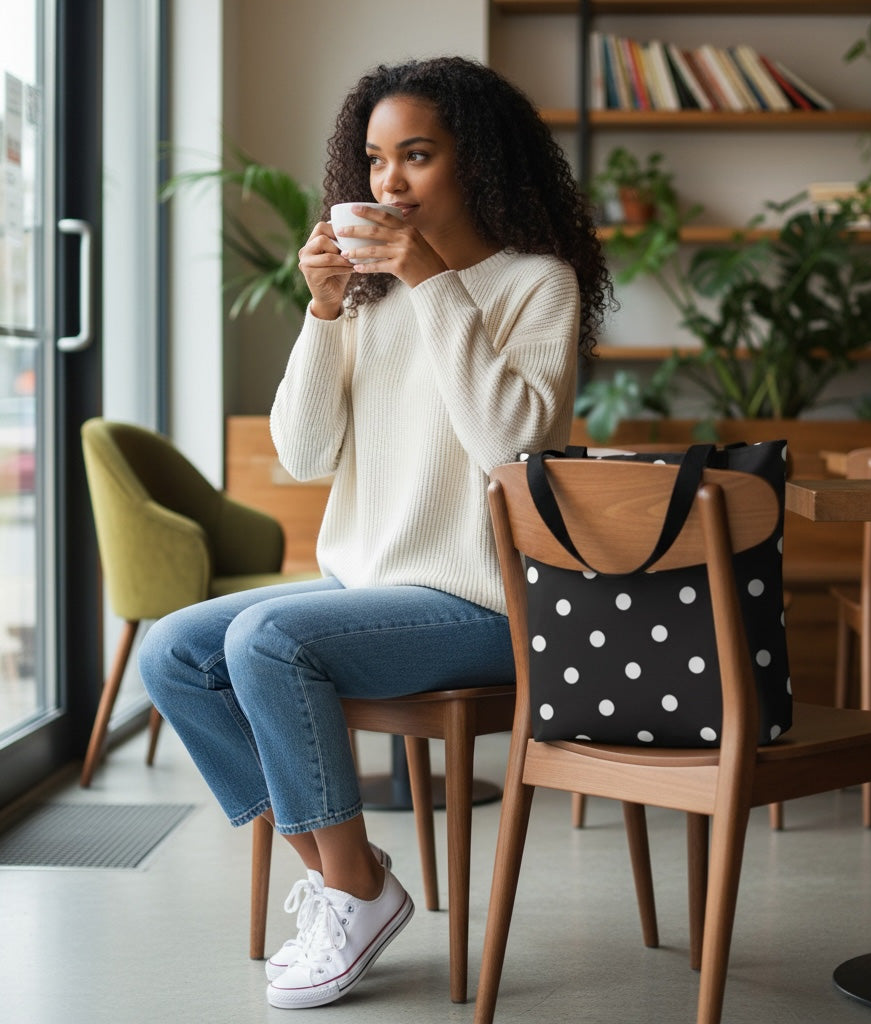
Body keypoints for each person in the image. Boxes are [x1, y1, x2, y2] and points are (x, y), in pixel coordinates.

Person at [139, 55, 613, 1010]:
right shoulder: (367, 299)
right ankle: (348, 878)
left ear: (474, 162)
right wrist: (321, 311)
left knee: (265, 638)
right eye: (374, 159)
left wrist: (434, 281)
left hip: (484, 603)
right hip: (369, 594)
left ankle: (351, 891)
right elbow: (304, 454)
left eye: (417, 156)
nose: (387, 183)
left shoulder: (535, 286)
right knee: (175, 651)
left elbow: (510, 445)